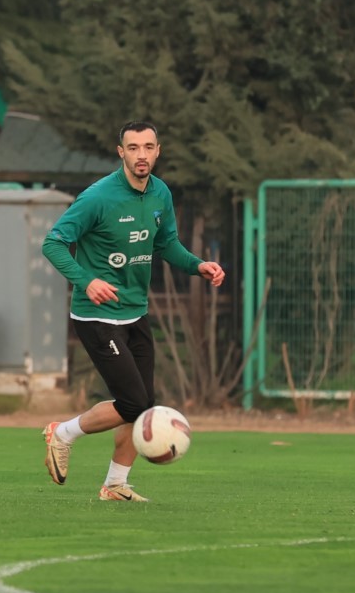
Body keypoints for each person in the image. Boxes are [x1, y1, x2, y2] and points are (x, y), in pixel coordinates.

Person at [38, 122, 225, 503]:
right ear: (120, 152)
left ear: (158, 151)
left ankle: (115, 485)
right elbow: (53, 243)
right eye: (133, 147)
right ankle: (63, 433)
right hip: (96, 314)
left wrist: (197, 265)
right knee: (134, 403)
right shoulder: (98, 197)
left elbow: (167, 243)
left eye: (149, 147)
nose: (142, 154)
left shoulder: (160, 192)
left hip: (135, 313)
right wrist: (86, 279)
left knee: (139, 407)